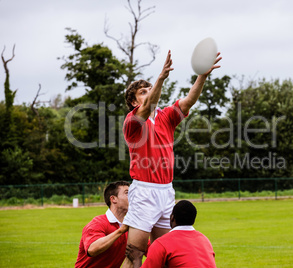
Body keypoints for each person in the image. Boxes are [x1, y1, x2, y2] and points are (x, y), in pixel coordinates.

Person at [122, 50, 222, 268]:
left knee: (165, 252)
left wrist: (202, 76)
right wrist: (161, 78)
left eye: (150, 89)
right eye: (142, 92)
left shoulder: (166, 116)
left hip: (166, 192)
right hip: (144, 192)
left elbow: (188, 101)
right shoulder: (133, 122)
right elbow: (148, 105)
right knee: (135, 253)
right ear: (132, 102)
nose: (148, 93)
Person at [140, 200, 216, 268]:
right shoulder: (205, 240)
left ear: (172, 217)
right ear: (193, 220)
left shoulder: (162, 243)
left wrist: (134, 260)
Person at [75, 181, 130, 268]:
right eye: (127, 193)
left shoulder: (130, 226)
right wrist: (121, 230)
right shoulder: (97, 223)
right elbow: (92, 249)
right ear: (113, 199)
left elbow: (151, 249)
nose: (133, 197)